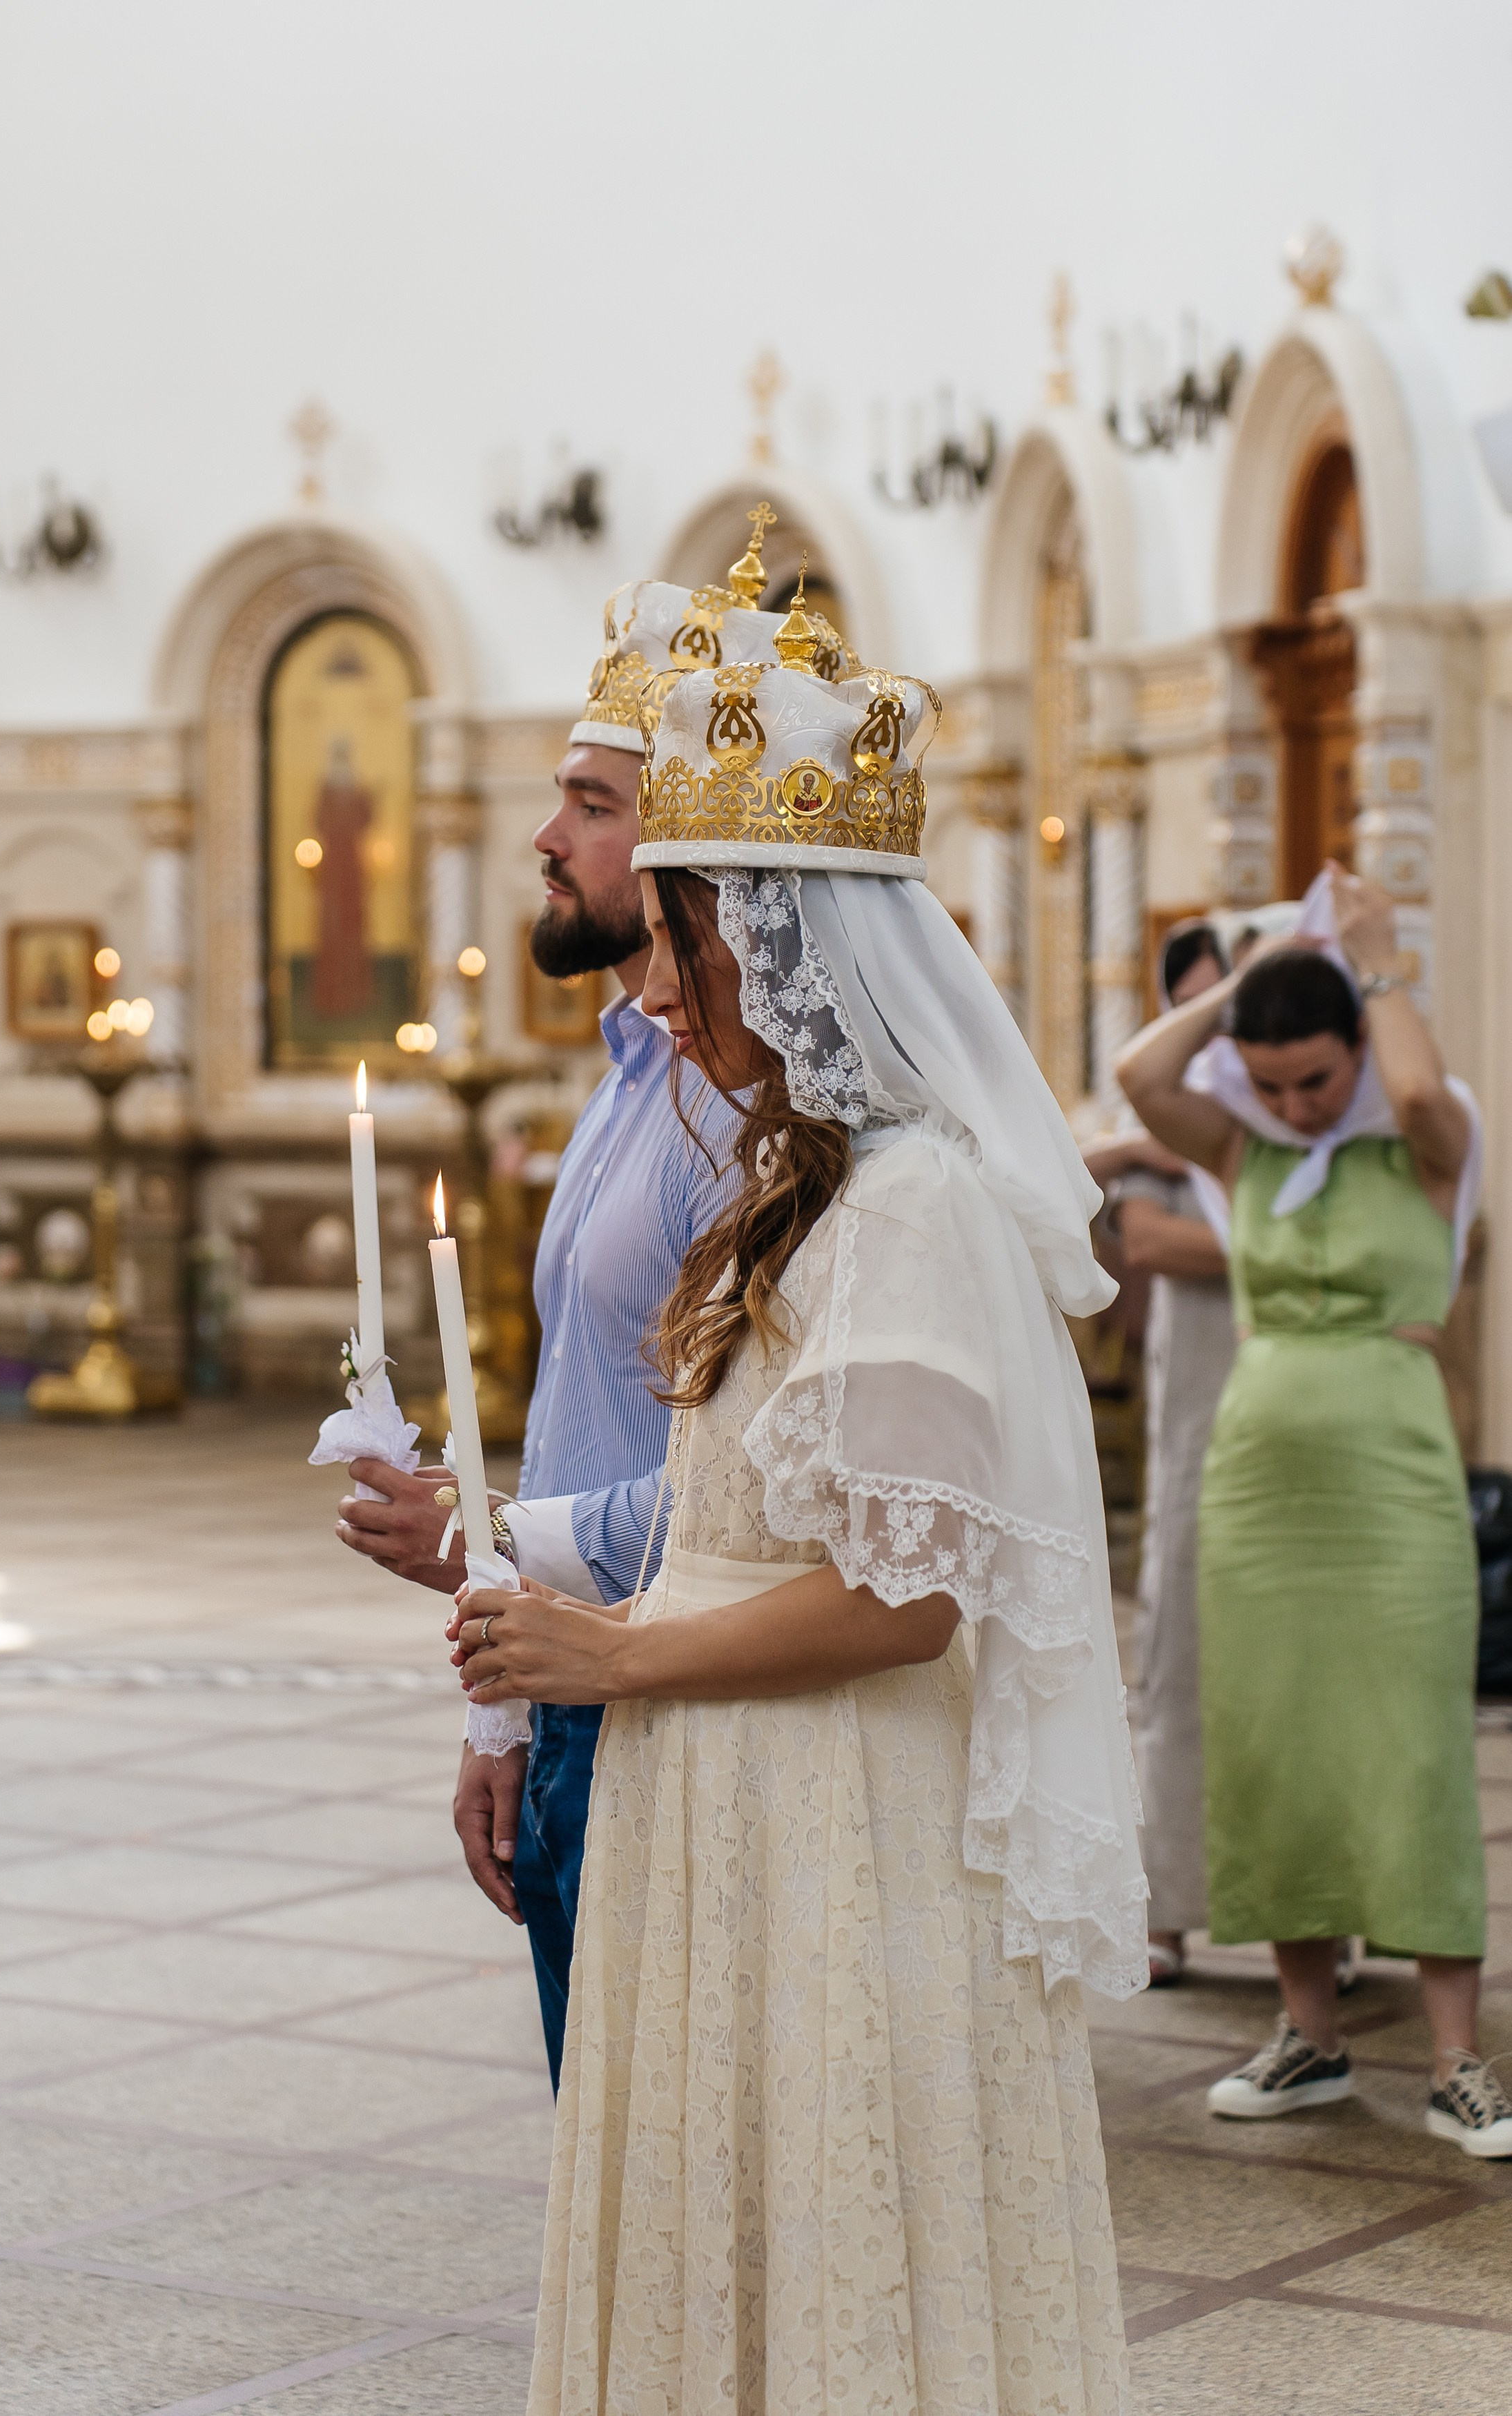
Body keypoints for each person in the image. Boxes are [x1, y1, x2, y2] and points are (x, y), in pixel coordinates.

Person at [457, 619, 1143, 2410]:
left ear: (774, 938)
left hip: (833, 1789)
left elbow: (902, 1597)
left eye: (682, 941)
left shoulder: (909, 1205)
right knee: (726, 2225)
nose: (661, 989)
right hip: (727, 1770)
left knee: (835, 2238)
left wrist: (610, 1645)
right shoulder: (800, 1182)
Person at [335, 516, 853, 2083]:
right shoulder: (639, 1065)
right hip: (570, 1676)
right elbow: (582, 1412)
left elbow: (768, 1485)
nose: (546, 840)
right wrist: (502, 1705)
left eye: (592, 803)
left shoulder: (757, 1116)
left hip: (678, 1683)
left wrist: (488, 1547)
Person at [1117, 866, 1510, 2158]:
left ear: (1356, 1045)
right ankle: (1310, 2037)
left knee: (1409, 1743)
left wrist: (1369, 961)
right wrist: (1255, 973)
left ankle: (1458, 2058)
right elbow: (1139, 1073)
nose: (1294, 1104)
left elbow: (1403, 1084)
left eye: (1313, 1080)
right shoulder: (1240, 1147)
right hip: (1258, 1488)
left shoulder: (1428, 1136)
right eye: (1271, 1083)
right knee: (1271, 1740)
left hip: (1393, 1478)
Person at [1110, 922, 1234, 1986]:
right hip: (1199, 1397)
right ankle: (1168, 1903)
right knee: (1180, 1644)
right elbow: (1147, 1241)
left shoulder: (1283, 1114)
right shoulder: (1171, 1130)